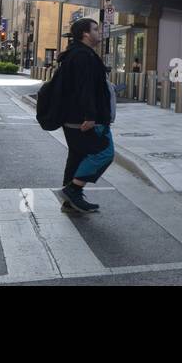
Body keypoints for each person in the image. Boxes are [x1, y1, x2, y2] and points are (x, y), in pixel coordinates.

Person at [54, 18, 116, 216]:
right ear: (86, 34)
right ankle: (73, 190)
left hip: (73, 116)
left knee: (77, 156)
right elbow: (85, 88)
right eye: (96, 29)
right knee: (104, 152)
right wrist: (90, 116)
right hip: (86, 119)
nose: (99, 32)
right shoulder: (83, 56)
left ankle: (70, 203)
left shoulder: (76, 53)